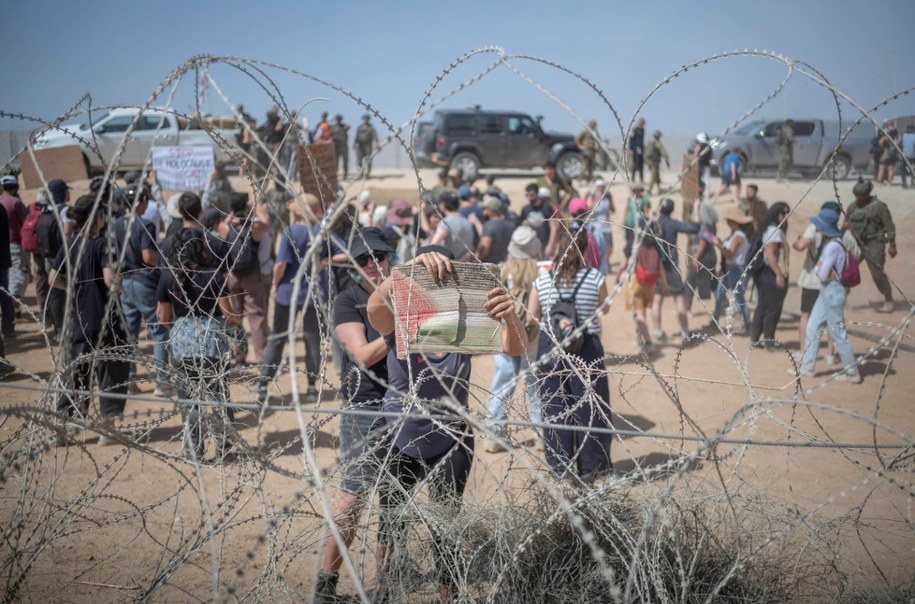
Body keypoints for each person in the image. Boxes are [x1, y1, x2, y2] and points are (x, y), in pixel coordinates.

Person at [366, 245, 526, 602]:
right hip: (400, 433)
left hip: (451, 438)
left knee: (446, 527)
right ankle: (384, 590)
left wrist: (509, 315)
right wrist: (402, 274)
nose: (437, 287)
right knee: (392, 523)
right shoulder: (401, 320)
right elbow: (374, 311)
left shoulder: (464, 328)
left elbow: (514, 348)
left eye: (445, 281)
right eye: (430, 281)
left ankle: (447, 595)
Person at [312, 227, 396, 604]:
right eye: (362, 259)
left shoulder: (401, 296)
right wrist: (401, 332)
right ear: (353, 266)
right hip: (364, 408)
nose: (372, 264)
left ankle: (385, 587)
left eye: (378, 256)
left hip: (401, 406)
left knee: (395, 502)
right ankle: (325, 588)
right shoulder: (348, 301)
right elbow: (361, 355)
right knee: (353, 499)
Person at [528, 224, 613, 484]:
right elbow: (605, 308)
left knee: (555, 409)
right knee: (590, 409)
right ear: (585, 250)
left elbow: (533, 316)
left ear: (556, 251)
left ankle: (560, 469)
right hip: (586, 347)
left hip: (549, 348)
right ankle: (591, 468)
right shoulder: (595, 278)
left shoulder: (542, 281)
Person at [50, 195, 130, 445]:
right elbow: (109, 280)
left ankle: (61, 429)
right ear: (97, 218)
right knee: (111, 371)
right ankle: (108, 429)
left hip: (79, 320)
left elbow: (53, 277)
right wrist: (120, 285)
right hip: (106, 319)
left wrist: (72, 289)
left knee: (76, 373)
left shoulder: (70, 243)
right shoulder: (102, 245)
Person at [156, 228, 239, 461]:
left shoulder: (167, 277)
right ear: (199, 249)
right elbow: (229, 315)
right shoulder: (214, 275)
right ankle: (224, 449)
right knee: (218, 397)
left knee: (189, 399)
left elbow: (163, 318)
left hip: (182, 343)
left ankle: (195, 451)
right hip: (211, 342)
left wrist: (183, 327)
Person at [256, 194, 327, 404]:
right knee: (313, 338)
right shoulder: (320, 233)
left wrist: (275, 284)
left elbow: (281, 264)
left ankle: (263, 383)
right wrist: (324, 261)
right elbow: (341, 251)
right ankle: (312, 386)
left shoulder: (290, 232)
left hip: (288, 293)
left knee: (278, 338)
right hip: (313, 294)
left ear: (297, 211)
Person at [484, 226, 543, 453]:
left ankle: (494, 434)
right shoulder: (540, 273)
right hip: (532, 335)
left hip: (505, 333)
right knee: (535, 383)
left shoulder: (501, 271)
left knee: (503, 381)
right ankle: (540, 434)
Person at [113, 182, 171, 396]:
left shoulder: (116, 224)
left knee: (130, 333)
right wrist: (164, 262)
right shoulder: (145, 224)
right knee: (158, 331)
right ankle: (162, 382)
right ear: (144, 200)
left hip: (124, 282)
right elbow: (148, 257)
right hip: (144, 282)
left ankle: (129, 381)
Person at [793, 208, 862, 384]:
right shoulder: (835, 242)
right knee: (813, 326)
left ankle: (852, 372)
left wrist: (819, 266)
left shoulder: (831, 246)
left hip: (832, 291)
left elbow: (822, 274)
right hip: (827, 290)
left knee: (837, 332)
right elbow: (824, 271)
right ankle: (807, 367)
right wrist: (822, 267)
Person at [218, 194, 270, 365]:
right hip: (252, 276)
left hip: (232, 276)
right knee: (257, 317)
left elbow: (226, 223)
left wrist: (232, 213)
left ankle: (238, 355)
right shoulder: (253, 227)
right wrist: (257, 211)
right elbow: (266, 224)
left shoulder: (224, 228)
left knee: (235, 316)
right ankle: (262, 358)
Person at [652, 198, 700, 341]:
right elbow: (694, 228)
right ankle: (685, 331)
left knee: (657, 299)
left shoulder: (653, 224)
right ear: (671, 210)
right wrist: (696, 209)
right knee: (679, 299)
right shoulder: (672, 224)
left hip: (657, 266)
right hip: (671, 267)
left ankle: (657, 331)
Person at [845, 179, 896, 312]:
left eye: (861, 195)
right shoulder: (852, 207)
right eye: (856, 195)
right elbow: (846, 222)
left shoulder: (879, 206)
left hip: (874, 243)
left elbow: (889, 225)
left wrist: (892, 245)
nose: (858, 198)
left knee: (877, 273)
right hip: (857, 243)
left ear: (867, 193)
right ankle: (842, 298)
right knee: (847, 269)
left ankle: (888, 299)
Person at [749, 202, 791, 350]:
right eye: (782, 213)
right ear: (775, 213)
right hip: (772, 273)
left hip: (765, 274)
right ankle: (769, 342)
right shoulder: (775, 230)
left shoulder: (769, 228)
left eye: (787, 214)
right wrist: (779, 275)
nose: (785, 217)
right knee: (772, 309)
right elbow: (770, 254)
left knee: (763, 306)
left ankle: (755, 339)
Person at [711, 207, 754, 332]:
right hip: (731, 269)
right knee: (720, 294)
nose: (728, 223)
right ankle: (716, 320)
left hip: (736, 269)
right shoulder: (736, 234)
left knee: (738, 298)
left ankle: (748, 324)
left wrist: (717, 244)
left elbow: (729, 254)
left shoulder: (738, 236)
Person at [0, 175, 28, 312]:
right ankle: (14, 308)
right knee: (17, 275)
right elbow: (24, 221)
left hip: (3, 244)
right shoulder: (16, 202)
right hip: (15, 243)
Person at [429, 191, 475, 261]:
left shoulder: (446, 222)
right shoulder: (467, 222)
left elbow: (433, 246)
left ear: (443, 205)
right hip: (465, 265)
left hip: (450, 265)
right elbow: (471, 248)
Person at [520, 184, 560, 256]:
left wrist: (550, 245)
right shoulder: (525, 209)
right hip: (531, 245)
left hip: (545, 244)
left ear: (537, 194)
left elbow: (554, 227)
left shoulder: (547, 207)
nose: (529, 198)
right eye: (527, 195)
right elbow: (521, 226)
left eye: (532, 195)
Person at [476, 196, 514, 263]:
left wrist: (476, 260)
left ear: (490, 211)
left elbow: (484, 250)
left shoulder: (488, 226)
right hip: (506, 265)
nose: (484, 211)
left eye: (485, 209)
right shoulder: (511, 225)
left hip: (491, 267)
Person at [587, 178, 614, 268]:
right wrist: (593, 198)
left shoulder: (607, 197)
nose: (601, 189)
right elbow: (588, 209)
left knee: (610, 247)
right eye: (599, 187)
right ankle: (599, 263)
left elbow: (613, 209)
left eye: (602, 187)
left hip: (606, 227)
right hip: (596, 227)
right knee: (598, 248)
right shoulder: (592, 197)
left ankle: (605, 261)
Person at [623, 184, 650, 252]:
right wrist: (623, 221)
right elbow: (626, 210)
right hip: (629, 223)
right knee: (629, 240)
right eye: (634, 191)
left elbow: (646, 211)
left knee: (637, 241)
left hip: (638, 224)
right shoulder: (630, 199)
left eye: (637, 190)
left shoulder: (644, 200)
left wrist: (647, 222)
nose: (635, 192)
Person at [645, 130, 670, 195]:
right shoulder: (658, 143)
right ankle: (650, 190)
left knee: (657, 175)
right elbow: (663, 152)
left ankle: (659, 188)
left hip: (649, 162)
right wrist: (667, 160)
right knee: (654, 176)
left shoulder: (650, 142)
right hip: (654, 162)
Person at [876, 119, 899, 186]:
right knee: (890, 167)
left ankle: (879, 182)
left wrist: (883, 148)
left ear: (888, 124)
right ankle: (890, 183)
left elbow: (880, 142)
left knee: (881, 167)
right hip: (894, 152)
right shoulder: (895, 133)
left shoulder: (888, 133)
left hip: (887, 151)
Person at [692, 132, 713, 198]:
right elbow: (712, 156)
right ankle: (707, 193)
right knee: (707, 179)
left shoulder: (699, 146)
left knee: (698, 179)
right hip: (707, 164)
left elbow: (695, 155)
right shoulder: (709, 147)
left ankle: (699, 192)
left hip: (700, 164)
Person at [330, 114, 350, 178]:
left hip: (344, 146)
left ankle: (345, 174)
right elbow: (330, 134)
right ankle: (335, 174)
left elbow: (348, 127)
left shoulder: (343, 126)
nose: (338, 121)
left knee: (345, 161)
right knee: (336, 162)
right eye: (337, 119)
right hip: (336, 146)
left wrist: (343, 127)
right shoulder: (333, 127)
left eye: (339, 120)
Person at [628, 118, 646, 184]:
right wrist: (631, 149)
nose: (643, 125)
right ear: (639, 124)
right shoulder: (634, 130)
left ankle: (641, 179)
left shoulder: (643, 130)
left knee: (641, 165)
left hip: (641, 150)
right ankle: (633, 179)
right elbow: (631, 139)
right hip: (635, 150)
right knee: (635, 165)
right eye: (642, 124)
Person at [900, 124, 915, 189]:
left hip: (905, 156)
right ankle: (913, 183)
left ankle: (904, 184)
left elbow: (899, 145)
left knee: (903, 170)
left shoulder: (902, 136)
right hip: (913, 156)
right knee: (913, 170)